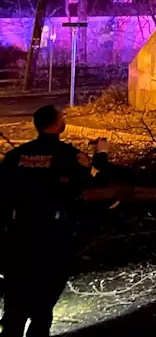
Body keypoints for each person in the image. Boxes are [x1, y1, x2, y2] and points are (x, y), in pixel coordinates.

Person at [0, 106, 108, 337]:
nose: (64, 119)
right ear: (56, 125)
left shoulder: (17, 155)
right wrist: (100, 153)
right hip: (53, 236)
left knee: (15, 299)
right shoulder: (68, 155)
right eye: (63, 117)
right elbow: (95, 179)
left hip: (17, 235)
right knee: (44, 301)